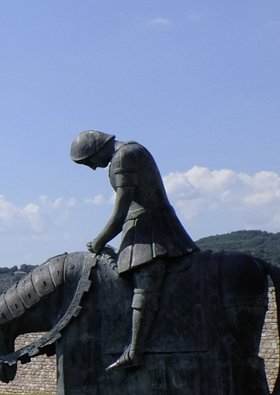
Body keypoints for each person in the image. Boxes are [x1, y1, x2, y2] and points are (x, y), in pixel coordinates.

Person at [71, 130, 198, 370]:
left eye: (89, 162)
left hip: (151, 228)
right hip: (142, 226)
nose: (92, 168)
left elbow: (121, 210)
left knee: (144, 286)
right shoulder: (124, 154)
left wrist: (100, 239)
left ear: (96, 149)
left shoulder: (124, 155)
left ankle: (135, 351)